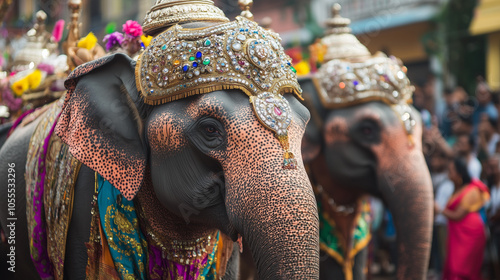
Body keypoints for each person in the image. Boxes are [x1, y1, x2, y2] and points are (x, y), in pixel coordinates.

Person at [436, 158, 490, 280]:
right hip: (457, 234)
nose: (448, 174)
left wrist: (439, 209)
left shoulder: (471, 190)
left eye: (451, 171)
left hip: (469, 233)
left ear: (459, 174)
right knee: (453, 265)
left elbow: (458, 215)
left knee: (462, 267)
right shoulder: (456, 188)